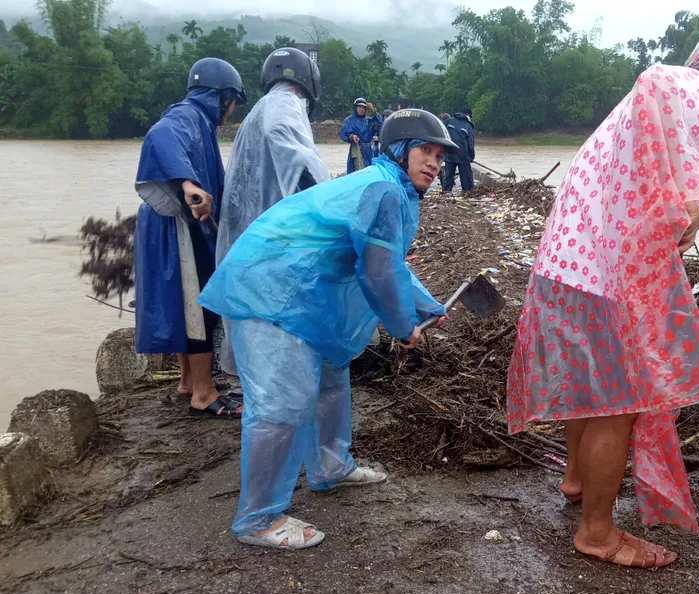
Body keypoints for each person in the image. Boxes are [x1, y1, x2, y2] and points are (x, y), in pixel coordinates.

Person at [506, 27, 699, 568]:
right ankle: (596, 533)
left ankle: (576, 479)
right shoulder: (687, 85)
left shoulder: (626, 118)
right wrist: (692, 202)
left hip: (563, 266)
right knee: (619, 405)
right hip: (598, 274)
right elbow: (663, 86)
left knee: (590, 387)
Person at [199, 110, 460, 549]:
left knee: (332, 378)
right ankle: (258, 518)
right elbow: (377, 275)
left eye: (439, 155)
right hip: (272, 289)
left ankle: (330, 467)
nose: (434, 162)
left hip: (302, 291)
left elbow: (386, 260)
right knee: (283, 402)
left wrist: (426, 305)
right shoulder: (383, 190)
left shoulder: (387, 187)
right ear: (398, 150)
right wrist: (402, 327)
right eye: (424, 150)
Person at [134, 57, 246, 418]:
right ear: (222, 96)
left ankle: (187, 381)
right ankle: (204, 393)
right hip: (178, 225)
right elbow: (159, 137)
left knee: (183, 300)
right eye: (232, 102)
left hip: (163, 224)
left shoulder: (196, 119)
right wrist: (188, 184)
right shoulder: (187, 116)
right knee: (200, 303)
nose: (231, 111)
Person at [214, 47, 330, 374]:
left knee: (259, 330)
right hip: (272, 242)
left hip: (250, 240)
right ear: (310, 84)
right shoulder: (285, 104)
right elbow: (289, 146)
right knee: (278, 337)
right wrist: (324, 205)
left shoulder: (258, 111)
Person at [442, 107, 475, 192]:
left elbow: (439, 130)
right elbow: (470, 145)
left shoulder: (449, 121)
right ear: (468, 115)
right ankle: (467, 193)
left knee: (448, 177)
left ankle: (445, 193)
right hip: (462, 155)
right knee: (466, 178)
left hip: (449, 153)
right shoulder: (468, 126)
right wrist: (471, 157)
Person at [340, 97, 377, 172]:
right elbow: (343, 132)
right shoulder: (349, 120)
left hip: (368, 149)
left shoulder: (368, 121)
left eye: (363, 108)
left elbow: (379, 124)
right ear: (355, 108)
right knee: (358, 170)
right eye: (359, 107)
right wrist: (351, 136)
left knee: (369, 170)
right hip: (356, 148)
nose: (361, 109)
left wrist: (373, 110)